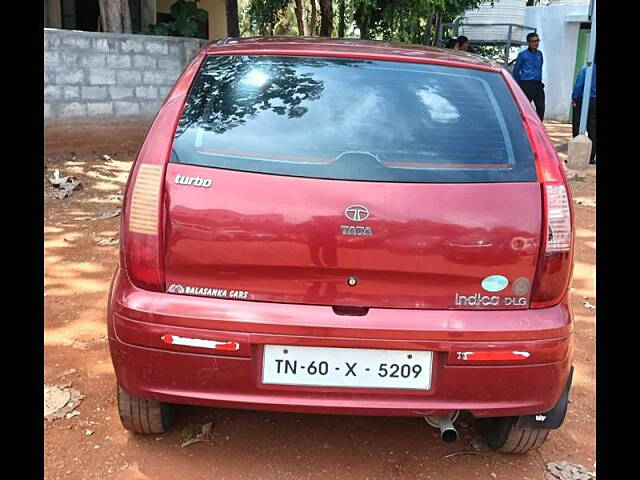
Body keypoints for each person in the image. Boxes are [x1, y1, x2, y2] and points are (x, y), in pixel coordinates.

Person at [513, 32, 545, 120]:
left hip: (538, 84)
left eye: (538, 41)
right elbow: (516, 70)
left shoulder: (539, 54)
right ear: (529, 42)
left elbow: (540, 67)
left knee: (541, 107)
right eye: (534, 41)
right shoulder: (523, 55)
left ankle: (539, 128)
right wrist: (519, 85)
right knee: (524, 108)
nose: (536, 43)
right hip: (526, 84)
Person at [572, 63, 596, 164]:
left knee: (577, 125)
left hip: (583, 99)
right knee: (593, 128)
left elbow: (579, 84)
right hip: (595, 101)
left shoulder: (586, 68)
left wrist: (574, 97)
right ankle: (591, 157)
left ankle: (576, 156)